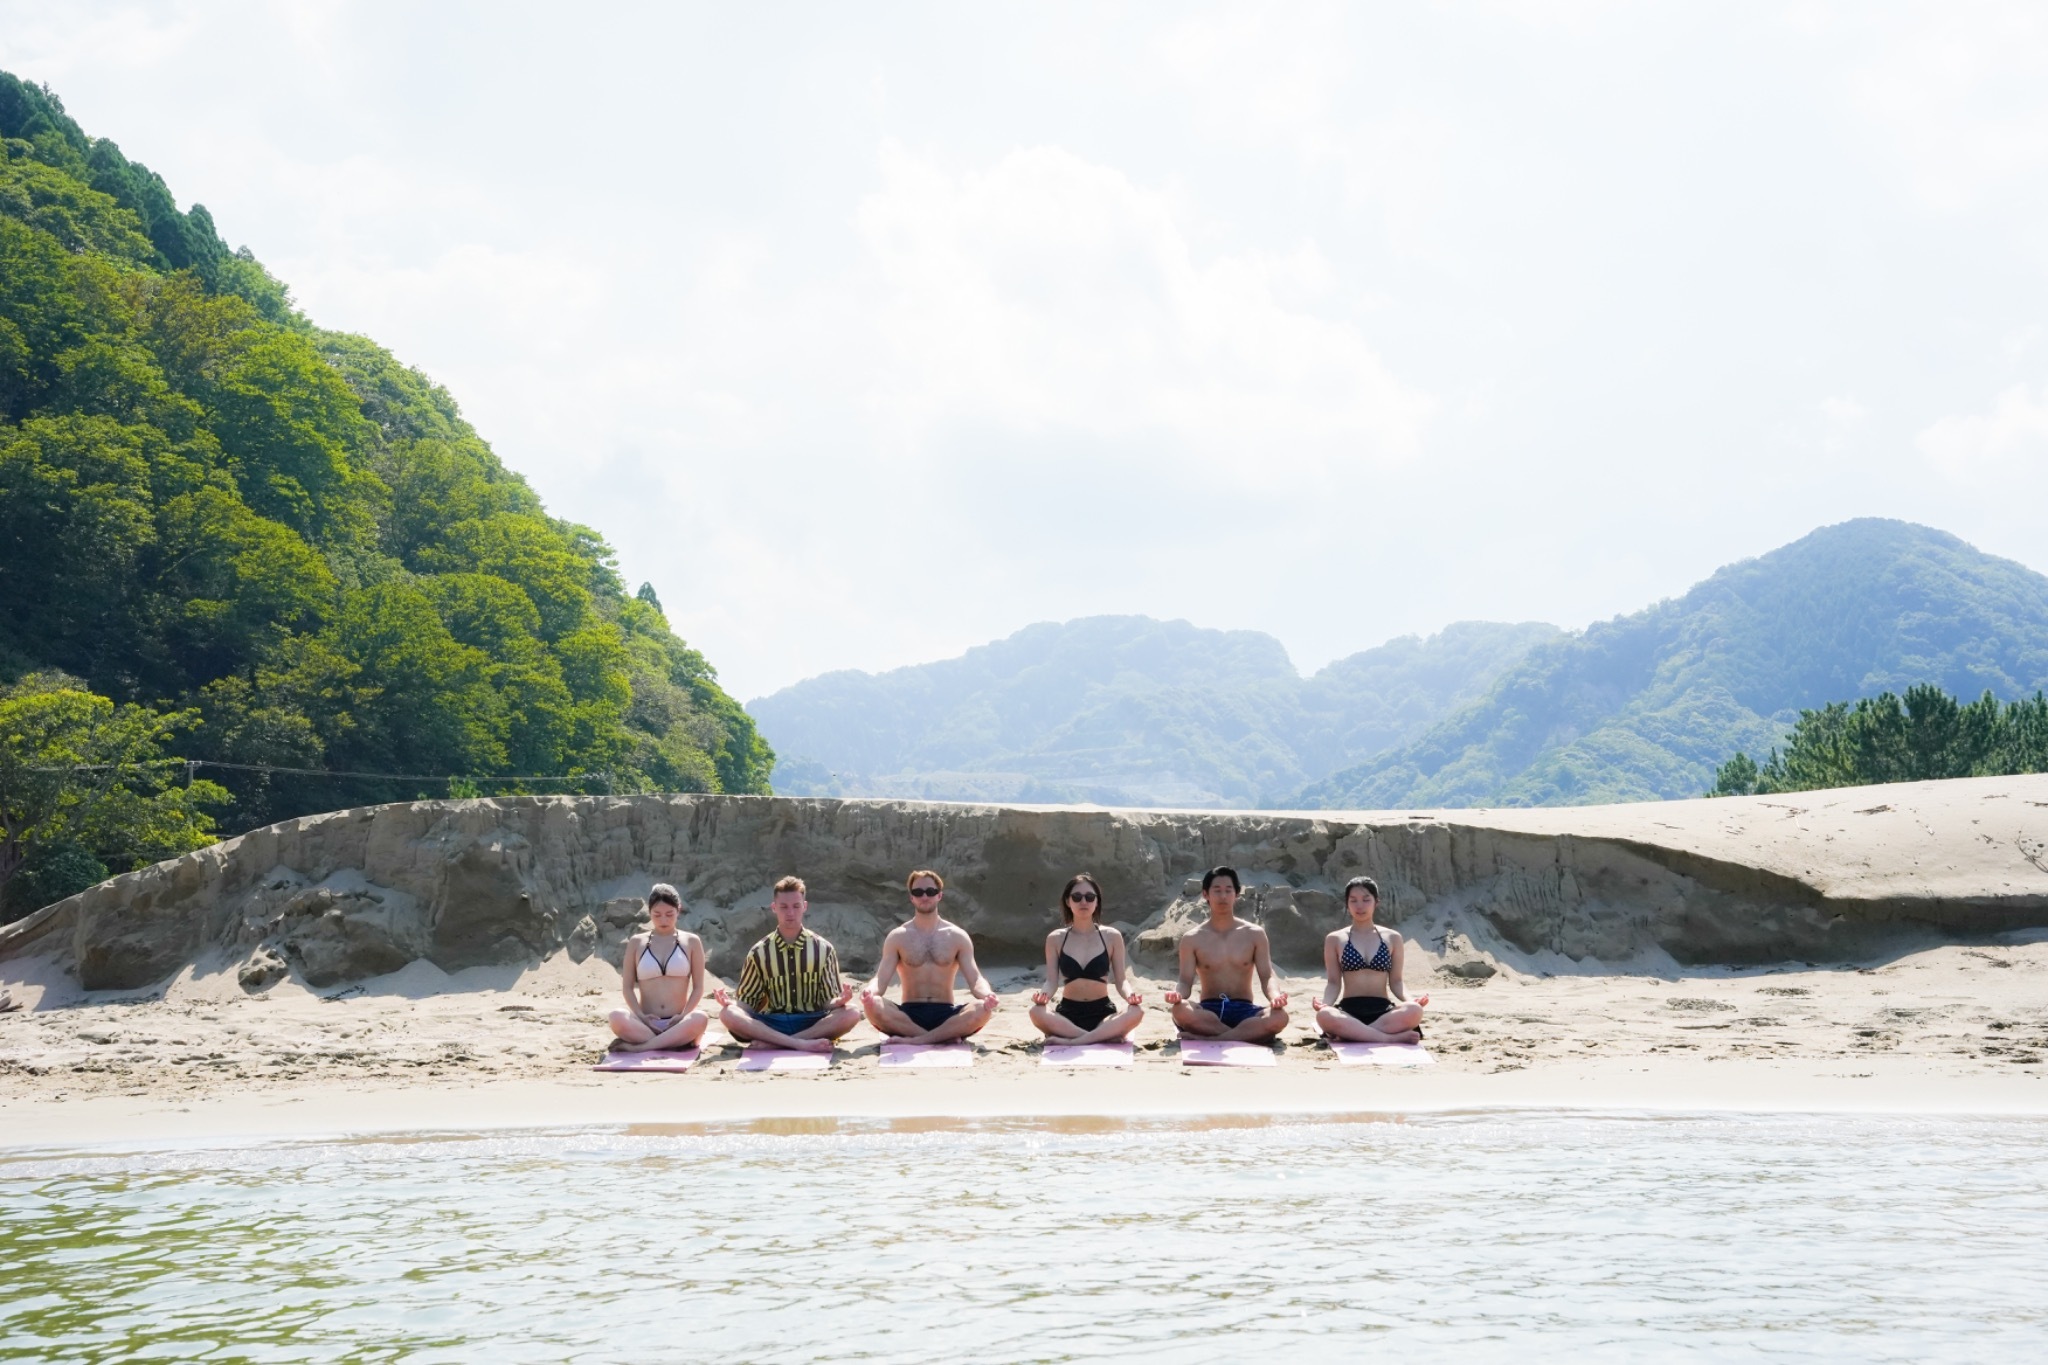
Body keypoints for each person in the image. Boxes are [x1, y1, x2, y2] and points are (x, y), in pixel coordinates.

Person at [714, 875, 861, 1053]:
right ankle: (798, 1043)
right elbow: (748, 1002)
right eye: (783, 907)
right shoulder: (759, 951)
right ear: (774, 908)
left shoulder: (823, 949)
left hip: (812, 1022)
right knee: (727, 1014)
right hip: (773, 1023)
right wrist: (730, 1003)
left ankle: (781, 1043)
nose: (790, 913)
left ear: (804, 906)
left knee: (852, 1012)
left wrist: (840, 1000)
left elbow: (826, 1002)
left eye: (796, 906)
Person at [861, 869, 1000, 1045]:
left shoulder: (957, 936)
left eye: (930, 892)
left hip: (946, 1013)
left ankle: (918, 1040)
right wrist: (869, 992)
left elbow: (975, 979)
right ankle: (935, 1038)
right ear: (912, 897)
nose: (924, 897)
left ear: (939, 896)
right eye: (918, 892)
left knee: (982, 1009)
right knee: (873, 1005)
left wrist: (988, 995)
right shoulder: (898, 937)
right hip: (909, 1015)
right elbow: (880, 980)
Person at [1164, 866, 1290, 1041]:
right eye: (1217, 890)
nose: (1223, 896)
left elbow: (1267, 975)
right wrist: (1177, 994)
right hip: (1209, 1010)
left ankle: (1213, 1038)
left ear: (1236, 894)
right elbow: (1185, 981)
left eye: (1228, 890)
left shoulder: (1254, 933)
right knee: (1180, 1010)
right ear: (1205, 894)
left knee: (1280, 1017)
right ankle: (1243, 1036)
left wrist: (1275, 997)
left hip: (1245, 1009)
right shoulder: (1192, 938)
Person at [1027, 873, 1146, 1045]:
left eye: (1090, 897)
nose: (1084, 902)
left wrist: (1130, 996)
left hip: (1102, 1013)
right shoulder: (1055, 938)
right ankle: (1098, 1038)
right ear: (1068, 902)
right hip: (1067, 1013)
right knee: (1036, 1012)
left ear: (1097, 902)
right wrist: (1043, 997)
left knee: (1137, 1012)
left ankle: (1074, 1041)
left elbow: (1121, 980)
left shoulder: (1112, 936)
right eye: (1077, 897)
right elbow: (1051, 981)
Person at [1311, 875, 1428, 1044]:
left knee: (1414, 1010)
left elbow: (1396, 982)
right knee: (1324, 1015)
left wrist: (1410, 1000)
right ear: (1347, 904)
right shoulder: (1334, 939)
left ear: (1376, 902)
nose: (1360, 906)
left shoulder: (1393, 937)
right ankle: (1387, 1038)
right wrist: (1325, 1004)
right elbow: (1333, 982)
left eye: (1366, 900)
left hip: (1383, 1010)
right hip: (1349, 1010)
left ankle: (1353, 1034)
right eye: (1353, 900)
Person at [608, 883, 710, 1051]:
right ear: (649, 912)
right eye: (657, 914)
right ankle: (670, 1042)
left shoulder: (691, 941)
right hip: (647, 1023)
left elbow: (698, 988)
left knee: (700, 1018)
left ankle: (641, 1047)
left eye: (669, 914)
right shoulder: (636, 942)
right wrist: (641, 1017)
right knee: (616, 1016)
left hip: (677, 1022)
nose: (663, 920)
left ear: (679, 909)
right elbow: (627, 988)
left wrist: (683, 1016)